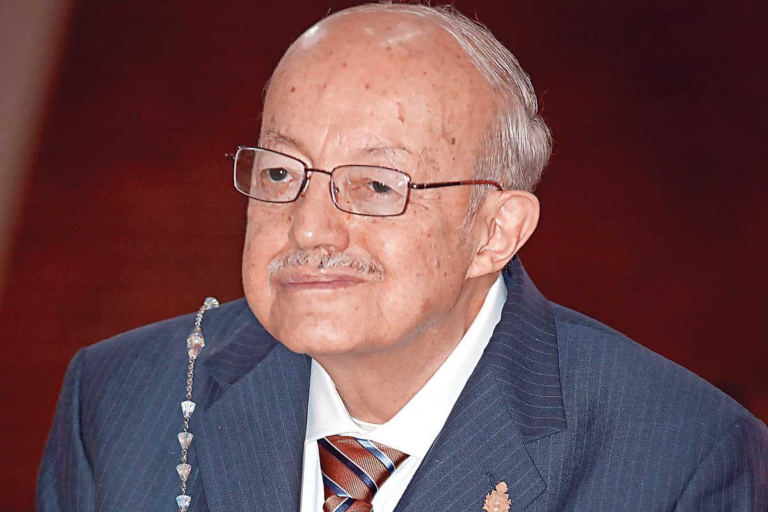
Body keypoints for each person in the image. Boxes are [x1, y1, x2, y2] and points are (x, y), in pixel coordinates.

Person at [37, 3, 767, 512]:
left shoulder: (683, 458)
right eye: (282, 173)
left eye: (378, 186)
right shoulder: (121, 396)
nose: (309, 230)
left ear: (494, 231)